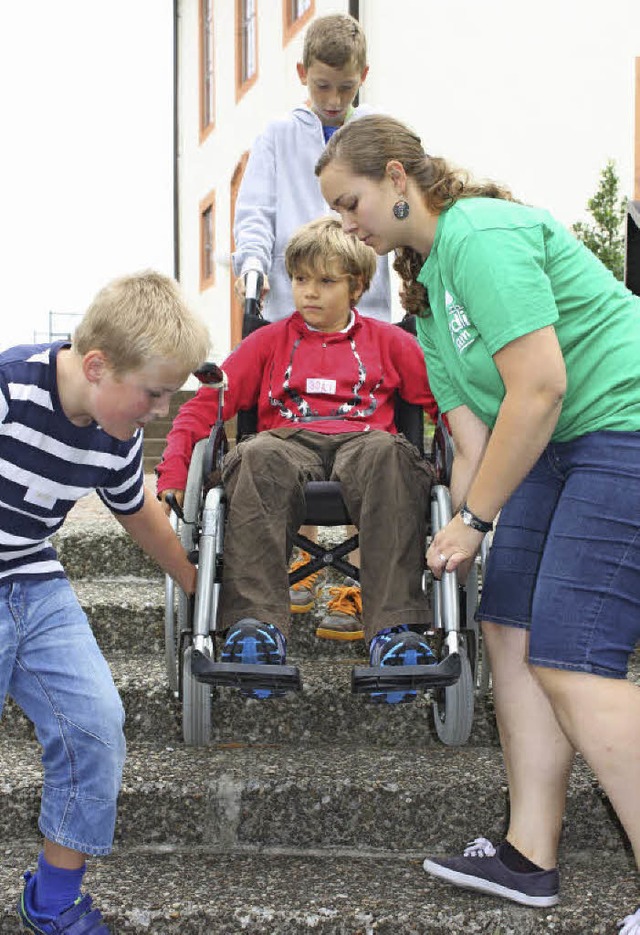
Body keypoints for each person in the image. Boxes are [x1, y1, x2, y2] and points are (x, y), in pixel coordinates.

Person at [316, 113, 640, 933]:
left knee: (573, 655)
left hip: (622, 427)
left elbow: (539, 387)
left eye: (349, 201)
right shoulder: (422, 296)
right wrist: (460, 532)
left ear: (397, 178)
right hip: (556, 446)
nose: (344, 222)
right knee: (510, 627)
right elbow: (471, 437)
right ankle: (529, 854)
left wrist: (474, 516)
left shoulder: (480, 233)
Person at [1, 271, 209, 933]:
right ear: (96, 365)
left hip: (33, 580)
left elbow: (138, 513)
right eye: (152, 393)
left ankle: (54, 898)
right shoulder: (8, 389)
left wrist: (198, 583)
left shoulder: (115, 435)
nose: (156, 410)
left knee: (93, 725)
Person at [157, 217, 438, 702]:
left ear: (357, 286)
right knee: (256, 455)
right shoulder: (266, 342)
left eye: (326, 281)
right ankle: (255, 629)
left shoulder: (393, 343)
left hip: (368, 442)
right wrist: (177, 469)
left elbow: (447, 405)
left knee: (393, 455)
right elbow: (207, 406)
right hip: (284, 443)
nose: (310, 293)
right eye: (301, 279)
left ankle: (394, 634)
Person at [232, 13, 392, 633]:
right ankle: (295, 562)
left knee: (366, 429)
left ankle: (349, 586)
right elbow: (255, 211)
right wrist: (252, 264)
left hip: (364, 307)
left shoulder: (379, 136)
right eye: (322, 87)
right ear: (303, 76)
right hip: (291, 305)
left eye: (344, 89)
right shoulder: (278, 135)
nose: (332, 100)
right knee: (284, 427)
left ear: (362, 79)